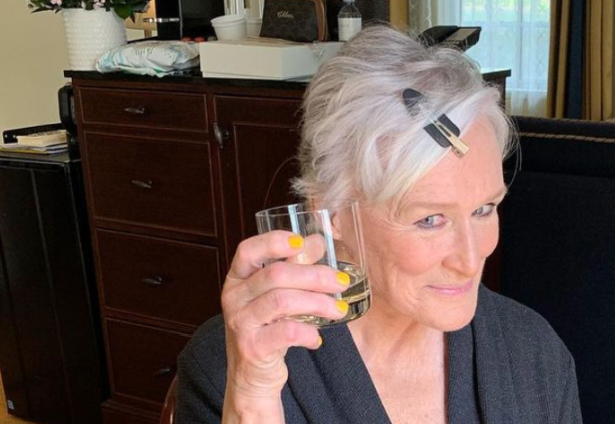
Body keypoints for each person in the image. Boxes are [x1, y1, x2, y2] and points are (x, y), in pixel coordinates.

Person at [175, 25, 583, 424]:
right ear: (331, 212)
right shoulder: (234, 368)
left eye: (484, 209)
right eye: (430, 220)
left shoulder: (533, 353)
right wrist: (251, 398)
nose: (470, 259)